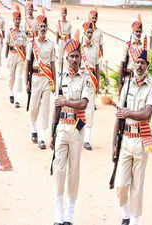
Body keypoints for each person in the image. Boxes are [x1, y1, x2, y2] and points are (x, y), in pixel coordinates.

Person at [49, 30, 94, 225]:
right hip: (61, 127)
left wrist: (66, 100)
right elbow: (56, 106)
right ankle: (58, 212)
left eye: (77, 56)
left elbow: (83, 103)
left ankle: (70, 214)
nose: (75, 59)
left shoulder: (85, 77)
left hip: (77, 128)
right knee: (59, 169)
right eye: (72, 56)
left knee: (73, 170)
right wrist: (52, 131)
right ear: (66, 58)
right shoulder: (61, 77)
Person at [112, 45, 152, 225]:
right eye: (137, 62)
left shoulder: (151, 87)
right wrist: (114, 143)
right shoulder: (127, 84)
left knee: (137, 185)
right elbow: (118, 115)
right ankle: (126, 214)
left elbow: (147, 114)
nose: (139, 66)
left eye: (143, 63)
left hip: (141, 140)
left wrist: (128, 113)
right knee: (121, 184)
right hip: (125, 140)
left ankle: (135, 221)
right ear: (133, 63)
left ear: (147, 66)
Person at [25, 8, 56, 149]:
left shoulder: (51, 44)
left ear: (47, 28)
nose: (43, 28)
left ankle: (42, 138)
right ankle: (33, 129)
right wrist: (27, 81)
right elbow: (28, 63)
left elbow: (53, 64)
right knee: (33, 108)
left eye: (45, 26)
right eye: (41, 26)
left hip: (46, 79)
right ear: (37, 28)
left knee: (45, 109)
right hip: (35, 78)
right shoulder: (32, 43)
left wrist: (54, 81)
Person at [81, 22, 100, 151]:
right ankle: (78, 134)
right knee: (79, 108)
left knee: (90, 110)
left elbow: (97, 67)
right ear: (84, 32)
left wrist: (98, 83)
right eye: (87, 32)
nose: (89, 34)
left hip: (91, 80)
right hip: (80, 79)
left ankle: (87, 139)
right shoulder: (79, 46)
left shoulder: (96, 48)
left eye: (91, 32)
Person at [4, 5, 27, 108]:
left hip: (20, 57)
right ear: (13, 20)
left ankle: (17, 99)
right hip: (12, 56)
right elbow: (7, 45)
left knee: (19, 78)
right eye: (16, 19)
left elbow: (25, 46)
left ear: (20, 20)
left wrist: (26, 59)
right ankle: (11, 92)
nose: (17, 21)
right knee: (11, 78)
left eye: (19, 19)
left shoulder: (23, 32)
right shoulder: (10, 31)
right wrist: (6, 57)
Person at [119, 14, 145, 92]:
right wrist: (120, 82)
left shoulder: (144, 46)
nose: (138, 34)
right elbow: (122, 63)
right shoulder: (128, 45)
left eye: (140, 32)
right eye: (136, 31)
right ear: (133, 32)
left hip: (139, 78)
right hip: (129, 77)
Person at [56, 3, 72, 71]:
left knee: (66, 57)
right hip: (60, 41)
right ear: (61, 13)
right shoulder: (58, 22)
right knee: (60, 57)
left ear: (66, 14)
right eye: (62, 13)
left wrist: (70, 44)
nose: (64, 14)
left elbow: (70, 35)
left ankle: (66, 70)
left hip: (66, 41)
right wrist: (56, 43)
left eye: (65, 13)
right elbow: (57, 34)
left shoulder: (69, 23)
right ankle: (59, 70)